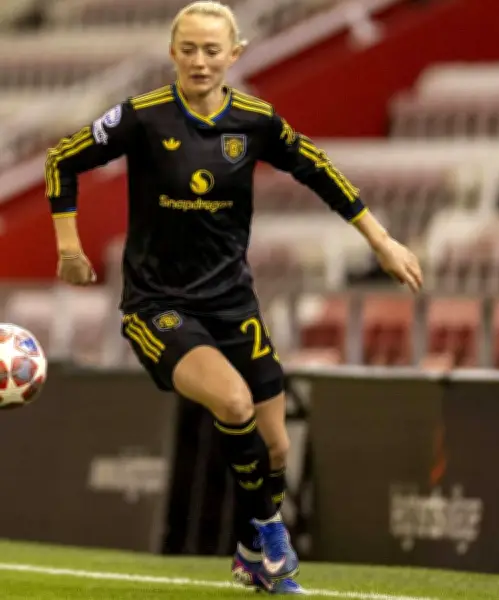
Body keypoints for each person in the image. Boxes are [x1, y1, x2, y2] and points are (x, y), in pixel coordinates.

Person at [46, 1, 423, 595]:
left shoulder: (253, 120)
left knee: (276, 446)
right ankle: (272, 538)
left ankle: (249, 550)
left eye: (212, 49)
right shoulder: (142, 118)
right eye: (189, 49)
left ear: (235, 54)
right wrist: (68, 245)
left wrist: (381, 240)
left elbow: (317, 168)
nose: (200, 61)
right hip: (157, 306)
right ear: (172, 54)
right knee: (234, 402)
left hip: (232, 304)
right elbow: (62, 158)